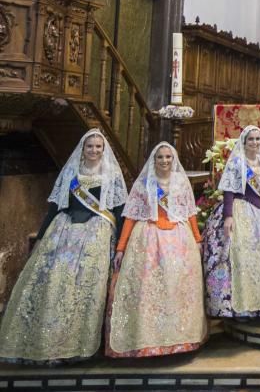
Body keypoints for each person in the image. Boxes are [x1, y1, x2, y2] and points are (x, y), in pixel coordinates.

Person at [0, 129, 126, 364]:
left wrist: (120, 244)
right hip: (66, 227)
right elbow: (55, 208)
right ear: (82, 149)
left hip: (98, 229)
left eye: (99, 147)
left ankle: (82, 341)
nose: (94, 150)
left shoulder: (112, 177)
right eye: (90, 146)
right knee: (55, 276)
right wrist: (41, 237)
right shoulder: (71, 174)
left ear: (104, 150)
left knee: (88, 278)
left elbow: (118, 212)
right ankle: (47, 338)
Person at [107, 142, 207, 357]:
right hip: (148, 238)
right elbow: (131, 216)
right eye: (160, 157)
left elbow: (190, 213)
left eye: (168, 157)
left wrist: (198, 239)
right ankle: (147, 341)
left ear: (174, 159)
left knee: (177, 287)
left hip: (179, 240)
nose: (164, 161)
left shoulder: (181, 182)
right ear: (154, 160)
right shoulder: (143, 183)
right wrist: (121, 248)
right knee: (149, 288)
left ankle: (180, 340)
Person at [203, 126, 260, 319]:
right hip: (240, 209)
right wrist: (229, 215)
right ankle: (240, 305)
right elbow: (229, 189)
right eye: (251, 139)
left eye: (258, 139)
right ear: (244, 142)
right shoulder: (237, 162)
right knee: (240, 252)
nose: (255, 143)